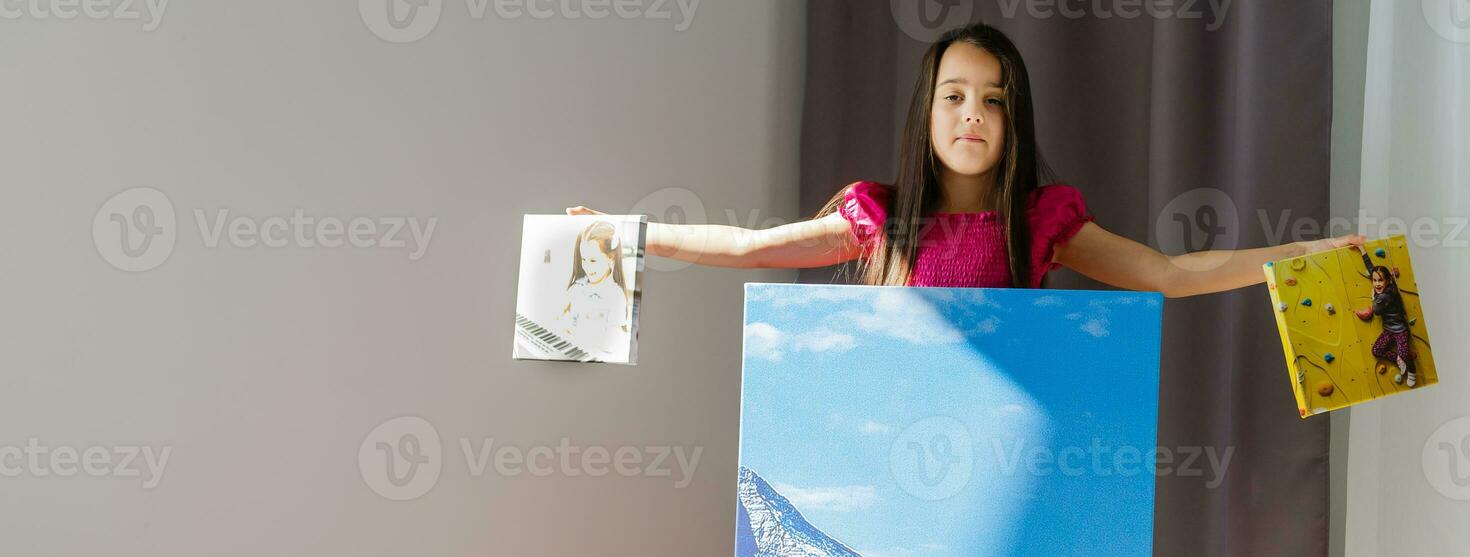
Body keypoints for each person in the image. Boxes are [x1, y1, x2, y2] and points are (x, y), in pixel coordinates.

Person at [567, 22, 1362, 297]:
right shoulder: (874, 218)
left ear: (1013, 120)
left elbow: (1170, 274)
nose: (973, 114)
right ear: (928, 112)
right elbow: (747, 247)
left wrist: (1305, 256)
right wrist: (628, 232)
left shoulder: (1042, 220)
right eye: (954, 95)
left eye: (993, 98)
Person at [555, 220, 631, 358]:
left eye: (593, 261)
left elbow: (611, 343)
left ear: (611, 258)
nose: (587, 267)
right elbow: (558, 319)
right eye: (583, 259)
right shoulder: (577, 287)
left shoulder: (615, 295)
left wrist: (577, 332)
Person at [1353, 243, 1417, 387]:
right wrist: (1362, 249)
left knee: (1406, 353)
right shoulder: (1385, 286)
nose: (1376, 284)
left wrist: (1373, 297)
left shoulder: (1385, 295)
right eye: (1374, 280)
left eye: (1380, 280)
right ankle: (1398, 360)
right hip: (1388, 330)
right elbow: (1372, 269)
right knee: (1376, 350)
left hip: (1400, 330)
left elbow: (1376, 311)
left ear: (1388, 281)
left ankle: (1412, 372)